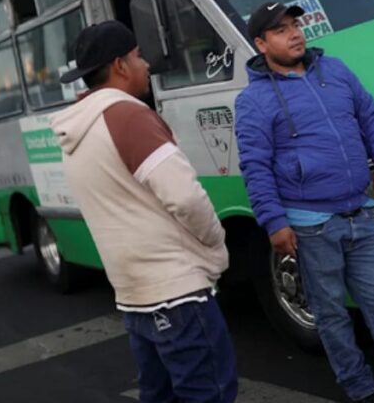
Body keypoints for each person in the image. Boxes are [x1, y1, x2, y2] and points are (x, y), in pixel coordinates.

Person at [234, 2, 374, 403]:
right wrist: (275, 222)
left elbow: (372, 117)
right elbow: (254, 166)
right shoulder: (253, 102)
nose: (294, 34)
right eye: (280, 30)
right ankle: (360, 387)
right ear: (260, 43)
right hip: (310, 226)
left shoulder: (336, 71)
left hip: (360, 213)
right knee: (331, 315)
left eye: (295, 24)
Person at [50, 21, 237, 403]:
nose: (147, 64)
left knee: (160, 395)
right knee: (209, 394)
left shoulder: (75, 130)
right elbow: (185, 198)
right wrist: (217, 246)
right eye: (138, 56)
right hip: (179, 292)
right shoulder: (129, 116)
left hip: (135, 296)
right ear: (120, 65)